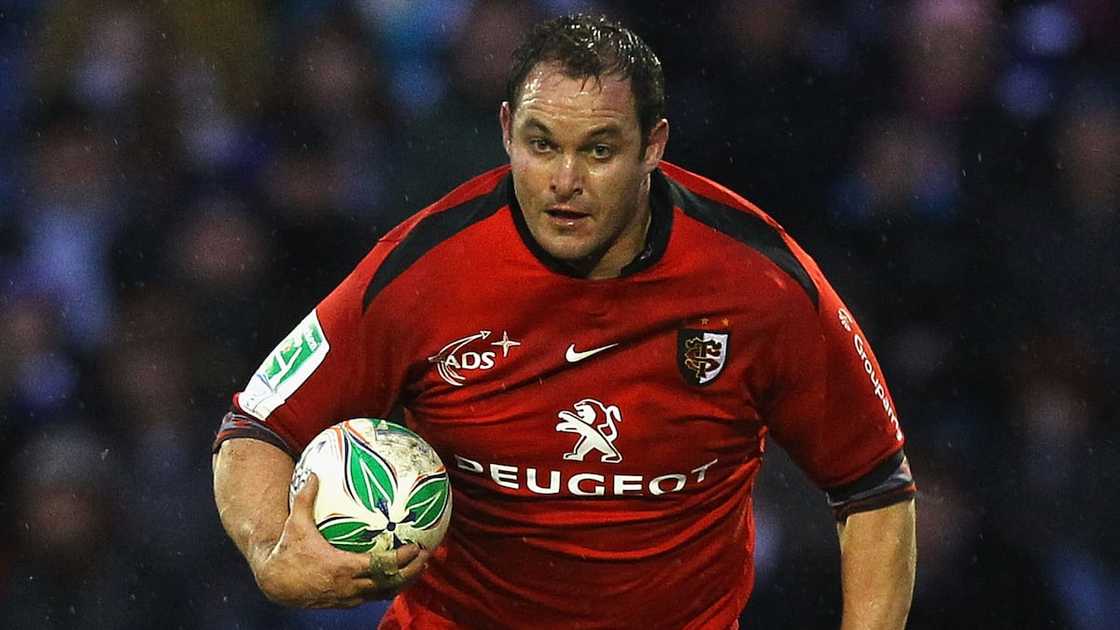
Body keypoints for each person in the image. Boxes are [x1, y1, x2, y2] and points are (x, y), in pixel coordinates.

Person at [212, 14, 916, 629]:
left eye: (599, 150)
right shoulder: (422, 272)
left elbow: (875, 488)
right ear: (505, 131)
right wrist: (271, 555)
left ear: (654, 145)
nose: (564, 181)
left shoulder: (764, 285)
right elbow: (256, 426)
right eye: (541, 144)